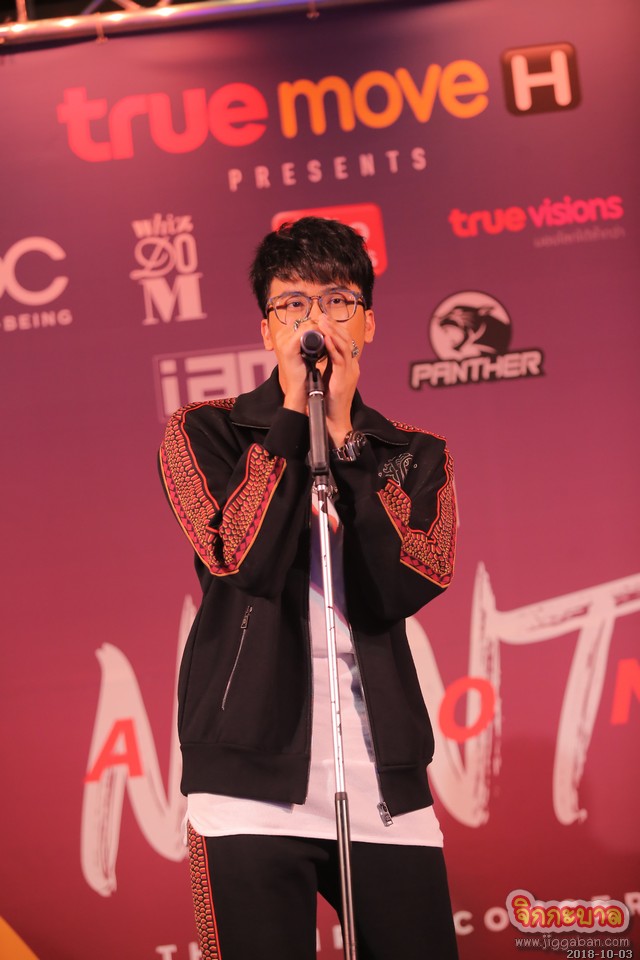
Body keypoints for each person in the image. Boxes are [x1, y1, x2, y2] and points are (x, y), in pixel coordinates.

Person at [159, 216, 458, 960]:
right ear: (267, 330)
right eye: (293, 304)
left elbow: (404, 585)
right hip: (246, 783)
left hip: (385, 783)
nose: (314, 321)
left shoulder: (413, 453)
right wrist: (295, 420)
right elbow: (242, 559)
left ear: (368, 322)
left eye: (336, 301)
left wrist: (348, 440)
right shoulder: (207, 432)